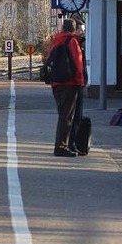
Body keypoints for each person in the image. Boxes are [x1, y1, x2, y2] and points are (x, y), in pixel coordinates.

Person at [48, 18, 85, 157]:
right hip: (70, 84)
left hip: (56, 83)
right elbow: (78, 64)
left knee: (62, 114)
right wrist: (80, 82)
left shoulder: (56, 40)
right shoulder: (71, 41)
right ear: (73, 29)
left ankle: (62, 145)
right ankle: (61, 147)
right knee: (67, 117)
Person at [69, 19, 88, 154]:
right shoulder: (73, 44)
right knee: (75, 116)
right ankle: (72, 143)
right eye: (80, 29)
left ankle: (71, 143)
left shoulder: (77, 43)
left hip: (75, 83)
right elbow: (77, 65)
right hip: (75, 84)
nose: (83, 32)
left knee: (74, 116)